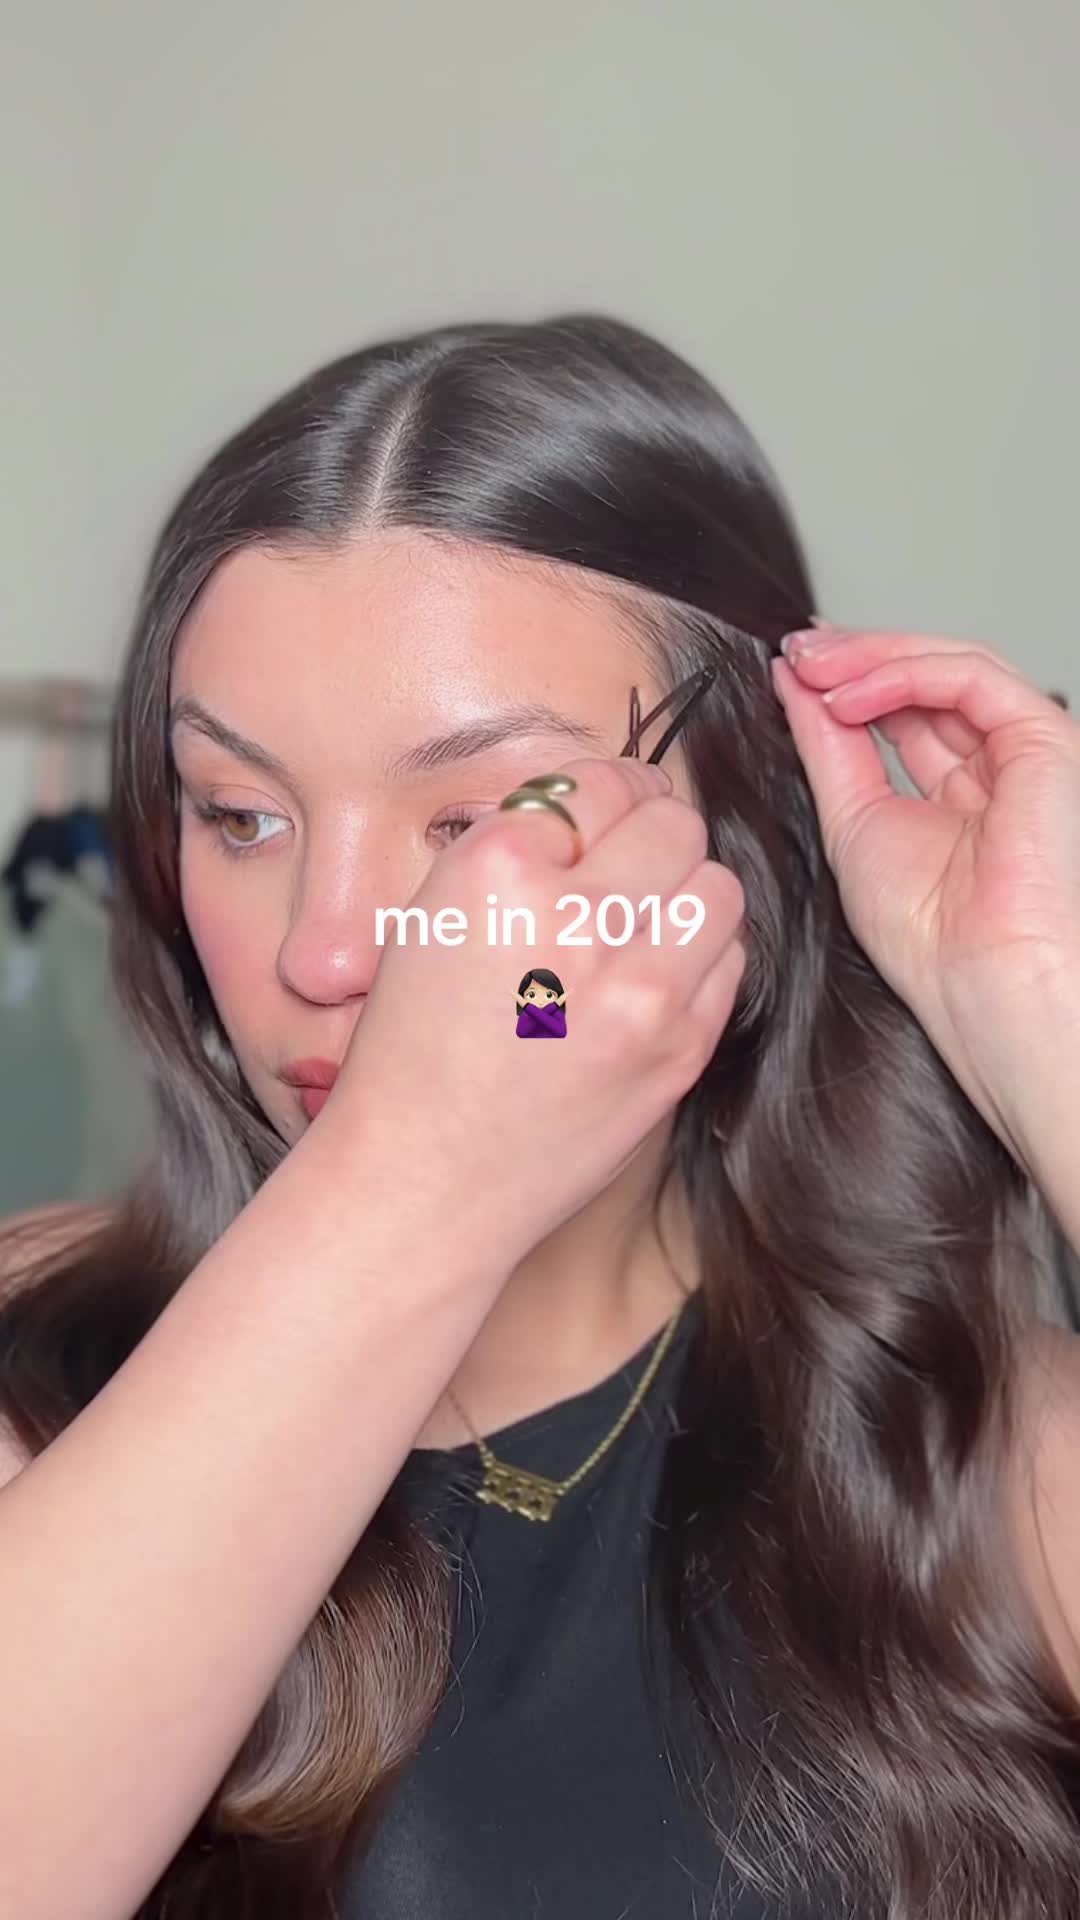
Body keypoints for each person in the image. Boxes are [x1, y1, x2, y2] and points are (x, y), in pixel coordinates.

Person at [0, 313, 1078, 1920]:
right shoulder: (38, 1357)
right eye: (240, 815)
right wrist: (412, 1172)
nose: (326, 950)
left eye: (483, 819)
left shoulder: (977, 1461)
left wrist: (1043, 1011)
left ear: (744, 837)